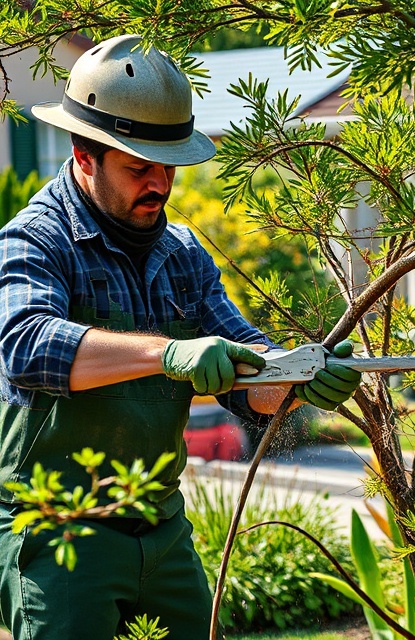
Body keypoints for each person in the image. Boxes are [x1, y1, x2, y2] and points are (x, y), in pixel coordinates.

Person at [0, 34, 361, 640]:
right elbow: (26, 347)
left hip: (163, 532)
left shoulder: (183, 255)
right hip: (57, 535)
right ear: (84, 156)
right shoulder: (34, 241)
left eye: (168, 166)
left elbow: (248, 373)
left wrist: (298, 376)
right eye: (138, 167)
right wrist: (166, 353)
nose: (160, 184)